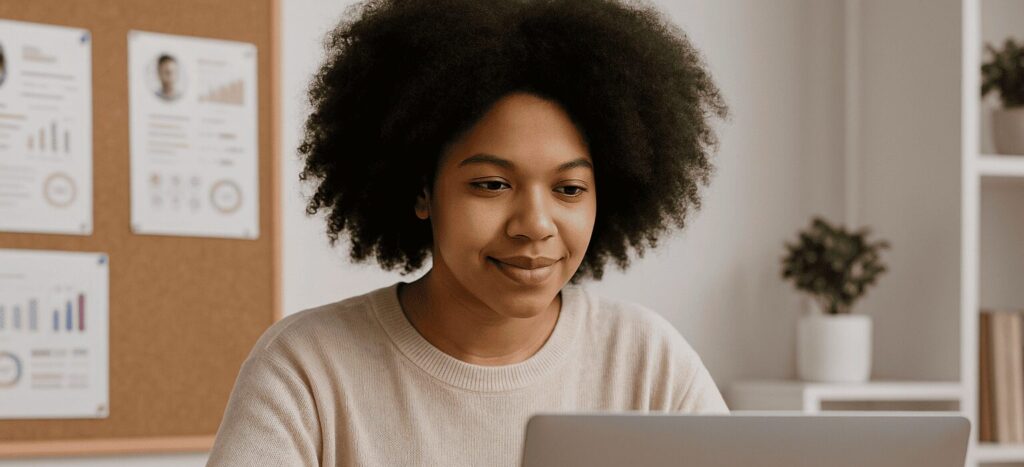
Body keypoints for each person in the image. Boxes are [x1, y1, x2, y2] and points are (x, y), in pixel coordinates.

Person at [207, 0, 730, 465]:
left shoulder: (647, 362)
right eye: (492, 184)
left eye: (569, 189)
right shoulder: (306, 370)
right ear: (420, 191)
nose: (535, 225)